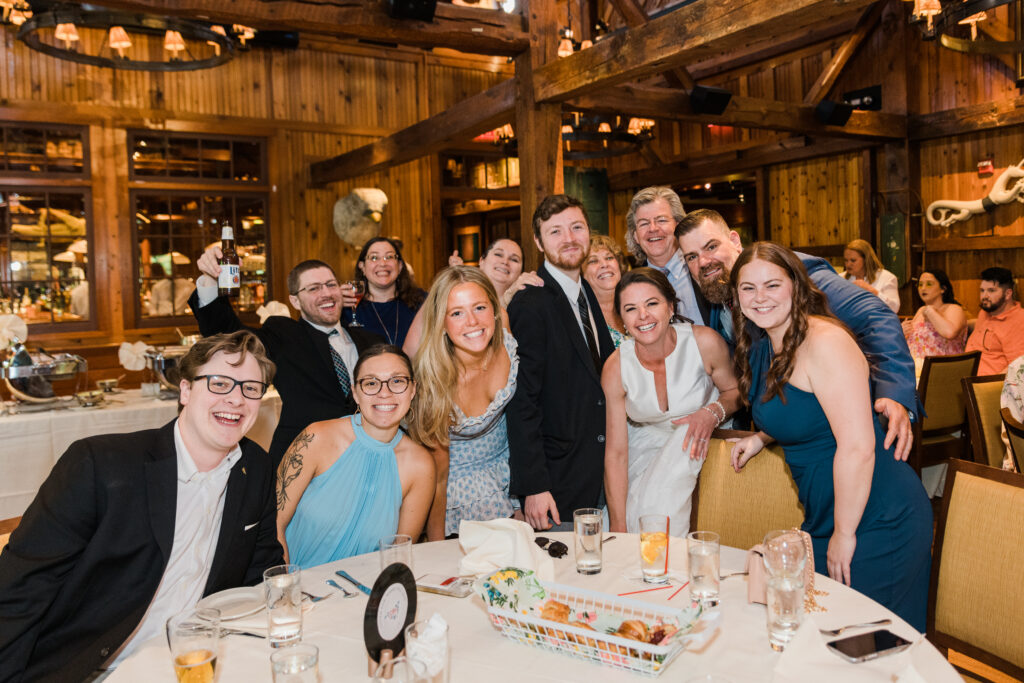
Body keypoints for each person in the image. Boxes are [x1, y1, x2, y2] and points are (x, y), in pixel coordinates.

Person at [0, 331, 283, 681]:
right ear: (185, 390)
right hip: (94, 670)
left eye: (250, 388)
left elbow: (260, 575)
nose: (236, 400)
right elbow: (19, 590)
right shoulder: (101, 466)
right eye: (220, 383)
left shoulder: (255, 468)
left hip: (194, 662)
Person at [728, 242, 932, 632]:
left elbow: (857, 447)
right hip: (826, 512)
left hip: (875, 515)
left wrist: (844, 533)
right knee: (825, 643)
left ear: (797, 287)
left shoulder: (825, 342)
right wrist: (762, 438)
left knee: (868, 646)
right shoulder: (765, 345)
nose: (760, 297)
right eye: (748, 288)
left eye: (772, 285)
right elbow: (810, 409)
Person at [676, 208, 918, 461]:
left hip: (849, 431)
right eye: (691, 256)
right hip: (791, 433)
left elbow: (875, 316)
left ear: (735, 240)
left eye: (711, 246)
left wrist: (892, 394)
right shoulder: (719, 302)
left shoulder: (793, 272)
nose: (703, 262)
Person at [190, 255, 381, 468]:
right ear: (295, 301)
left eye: (330, 285)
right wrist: (209, 280)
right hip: (303, 464)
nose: (326, 293)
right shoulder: (284, 336)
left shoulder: (371, 341)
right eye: (314, 288)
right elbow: (227, 333)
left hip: (367, 458)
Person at [507, 194, 615, 531]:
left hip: (599, 472)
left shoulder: (587, 294)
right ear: (539, 242)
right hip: (557, 480)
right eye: (555, 232)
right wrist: (534, 485)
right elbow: (521, 400)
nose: (568, 239)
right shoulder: (530, 303)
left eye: (576, 227)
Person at [603, 268, 739, 536]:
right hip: (643, 450)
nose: (643, 316)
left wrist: (712, 412)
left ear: (670, 306)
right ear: (622, 320)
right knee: (630, 519)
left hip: (698, 439)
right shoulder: (615, 367)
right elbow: (616, 453)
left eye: (652, 303)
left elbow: (736, 392)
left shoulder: (704, 342)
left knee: (658, 508)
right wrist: (618, 526)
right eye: (631, 309)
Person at [275, 345, 434, 568]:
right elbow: (274, 524)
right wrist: (286, 591)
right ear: (356, 393)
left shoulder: (420, 464)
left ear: (413, 390)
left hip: (364, 593)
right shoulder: (316, 438)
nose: (384, 392)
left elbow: (398, 555)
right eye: (371, 383)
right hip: (296, 586)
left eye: (397, 381)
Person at [408, 267, 520, 540]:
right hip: (461, 493)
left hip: (510, 475)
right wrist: (435, 544)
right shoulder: (432, 384)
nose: (472, 321)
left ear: (494, 310)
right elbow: (438, 477)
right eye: (456, 313)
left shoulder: (503, 330)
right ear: (441, 323)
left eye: (479, 307)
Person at [403, 238, 541, 356]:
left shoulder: (523, 307)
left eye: (514, 259)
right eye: (498, 254)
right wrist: (447, 282)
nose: (505, 262)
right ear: (481, 260)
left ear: (521, 271)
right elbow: (411, 350)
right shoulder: (450, 298)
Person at [625, 186, 705, 324]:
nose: (653, 228)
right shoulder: (632, 286)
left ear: (679, 226)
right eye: (644, 223)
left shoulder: (703, 269)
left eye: (661, 220)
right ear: (636, 236)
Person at [344, 236, 426, 348]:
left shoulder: (422, 302)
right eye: (374, 257)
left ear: (400, 265)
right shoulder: (349, 308)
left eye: (389, 257)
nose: (383, 263)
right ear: (362, 267)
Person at [965, 266, 1024, 375]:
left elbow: (1018, 368)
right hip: (963, 378)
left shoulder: (1019, 321)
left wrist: (987, 388)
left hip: (990, 386)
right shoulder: (985, 312)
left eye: (991, 291)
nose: (984, 296)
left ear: (1008, 294)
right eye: (982, 290)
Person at [901, 269, 967, 358]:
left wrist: (930, 312)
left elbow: (949, 333)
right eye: (920, 285)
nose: (923, 288)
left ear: (943, 289)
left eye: (929, 284)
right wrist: (901, 332)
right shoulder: (921, 310)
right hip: (914, 364)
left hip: (941, 365)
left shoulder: (954, 309)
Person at [583, 234, 629, 348]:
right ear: (580, 273)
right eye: (593, 261)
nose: (604, 265)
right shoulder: (580, 319)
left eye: (609, 258)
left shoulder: (636, 305)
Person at [841, 239, 900, 313]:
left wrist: (872, 291)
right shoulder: (840, 278)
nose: (848, 264)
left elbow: (894, 308)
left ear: (866, 259)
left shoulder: (887, 278)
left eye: (853, 260)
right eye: (846, 260)